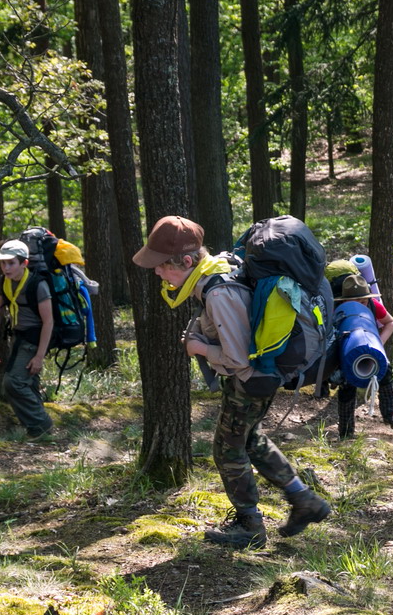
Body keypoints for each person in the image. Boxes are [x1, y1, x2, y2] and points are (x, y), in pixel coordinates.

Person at [132, 215, 332, 549]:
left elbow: (238, 358)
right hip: (258, 377)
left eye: (162, 266)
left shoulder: (218, 292)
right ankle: (304, 500)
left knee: (227, 450)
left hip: (250, 380)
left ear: (186, 262)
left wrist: (199, 348)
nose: (157, 273)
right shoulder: (214, 271)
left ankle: (250, 526)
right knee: (250, 440)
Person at [0, 238, 55, 440]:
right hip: (18, 337)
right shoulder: (4, 282)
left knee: (12, 383)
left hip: (35, 338)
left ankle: (41, 425)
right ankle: (38, 426)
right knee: (28, 381)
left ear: (24, 263)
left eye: (11, 263)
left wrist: (39, 356)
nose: (6, 268)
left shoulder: (38, 285)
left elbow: (48, 322)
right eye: (3, 263)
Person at [334, 272, 393, 439]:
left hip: (372, 348)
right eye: (356, 302)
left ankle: (390, 415)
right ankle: (346, 431)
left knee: (386, 372)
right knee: (346, 385)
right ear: (344, 301)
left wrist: (379, 343)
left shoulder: (373, 305)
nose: (361, 305)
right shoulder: (337, 309)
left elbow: (391, 322)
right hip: (346, 352)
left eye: (364, 301)